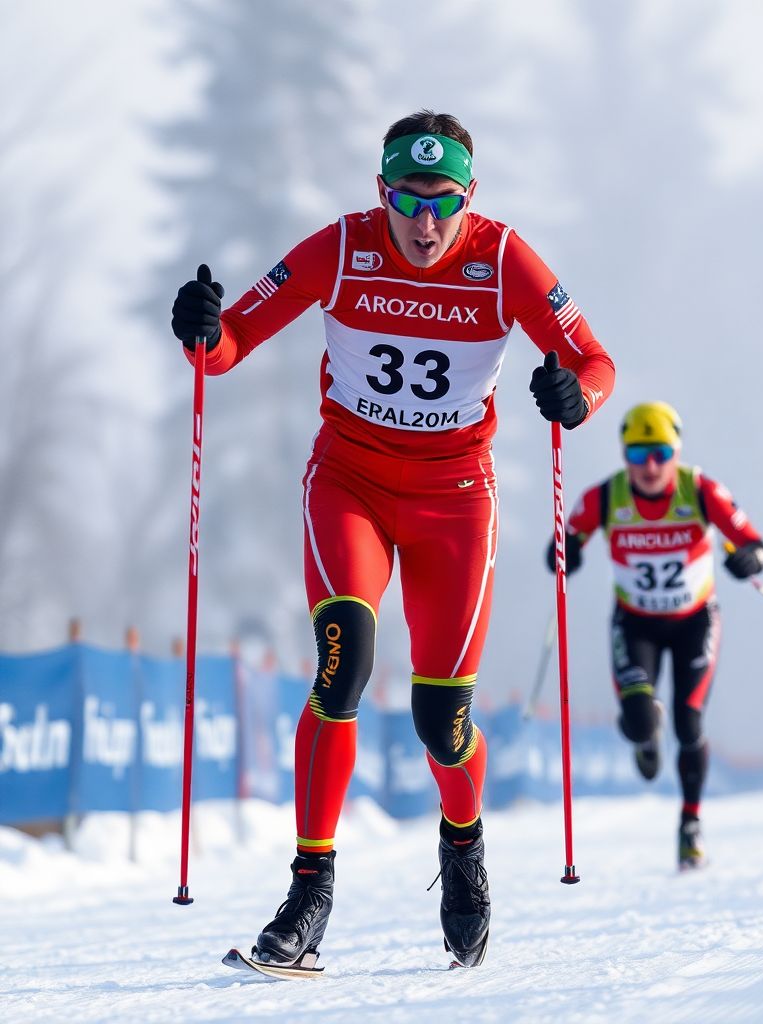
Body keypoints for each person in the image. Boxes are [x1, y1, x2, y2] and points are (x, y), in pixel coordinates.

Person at [170, 110, 615, 970]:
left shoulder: (503, 259)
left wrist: (577, 398)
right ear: (382, 191)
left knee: (440, 718)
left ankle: (463, 848)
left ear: (468, 197)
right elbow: (230, 346)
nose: (424, 222)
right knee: (344, 666)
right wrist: (201, 327)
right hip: (352, 484)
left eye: (442, 202)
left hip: (456, 501)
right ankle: (308, 895)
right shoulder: (341, 246)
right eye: (408, 200)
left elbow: (594, 360)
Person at [545, 401, 763, 869]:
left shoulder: (701, 490)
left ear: (676, 452)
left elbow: (754, 543)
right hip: (636, 622)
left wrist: (750, 559)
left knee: (690, 724)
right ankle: (647, 736)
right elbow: (569, 537)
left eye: (661, 452)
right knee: (641, 720)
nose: (650, 465)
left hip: (694, 621)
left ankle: (690, 825)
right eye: (639, 452)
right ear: (625, 453)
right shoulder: (607, 497)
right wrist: (564, 553)